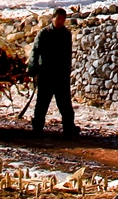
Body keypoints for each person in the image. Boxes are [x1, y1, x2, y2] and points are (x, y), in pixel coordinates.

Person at [29, 7, 77, 138]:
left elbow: (68, 54)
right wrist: (33, 68)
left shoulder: (66, 34)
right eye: (58, 18)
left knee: (65, 104)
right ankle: (37, 129)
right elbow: (35, 51)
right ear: (53, 18)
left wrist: (67, 69)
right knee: (42, 104)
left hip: (61, 75)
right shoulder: (44, 33)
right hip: (46, 74)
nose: (61, 21)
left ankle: (69, 129)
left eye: (63, 19)